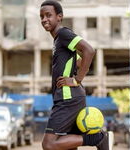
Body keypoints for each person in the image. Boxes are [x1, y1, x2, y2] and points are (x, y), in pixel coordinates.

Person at [40, 1, 110, 150]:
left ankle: (97, 138)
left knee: (49, 144)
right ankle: (98, 139)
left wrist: (77, 79)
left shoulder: (63, 34)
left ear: (59, 17)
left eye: (48, 15)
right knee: (68, 146)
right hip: (69, 97)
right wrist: (74, 68)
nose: (44, 19)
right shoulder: (58, 40)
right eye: (41, 16)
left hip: (68, 98)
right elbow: (77, 61)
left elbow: (89, 50)